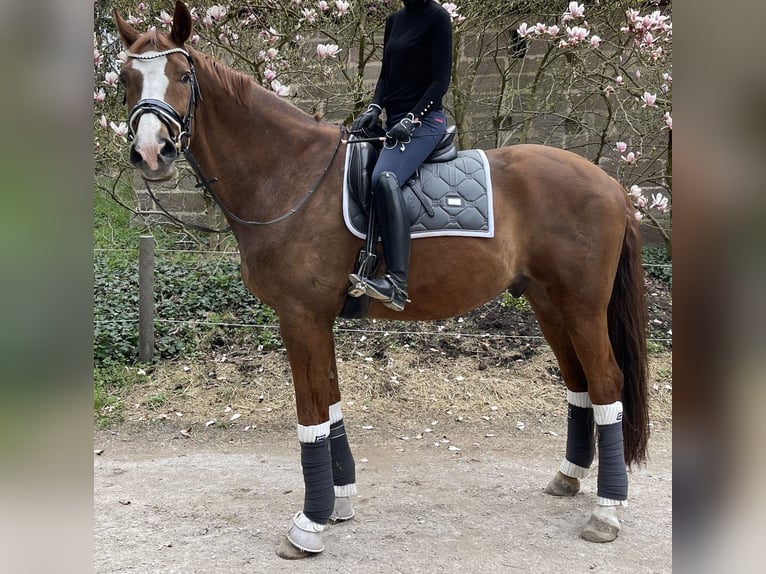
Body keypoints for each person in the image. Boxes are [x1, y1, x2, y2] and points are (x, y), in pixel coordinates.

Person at [348, 0, 453, 311]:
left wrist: (412, 118)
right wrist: (374, 108)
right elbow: (385, 77)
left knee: (385, 177)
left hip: (426, 122)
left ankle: (396, 282)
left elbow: (440, 80)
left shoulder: (438, 18)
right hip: (393, 122)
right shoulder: (395, 20)